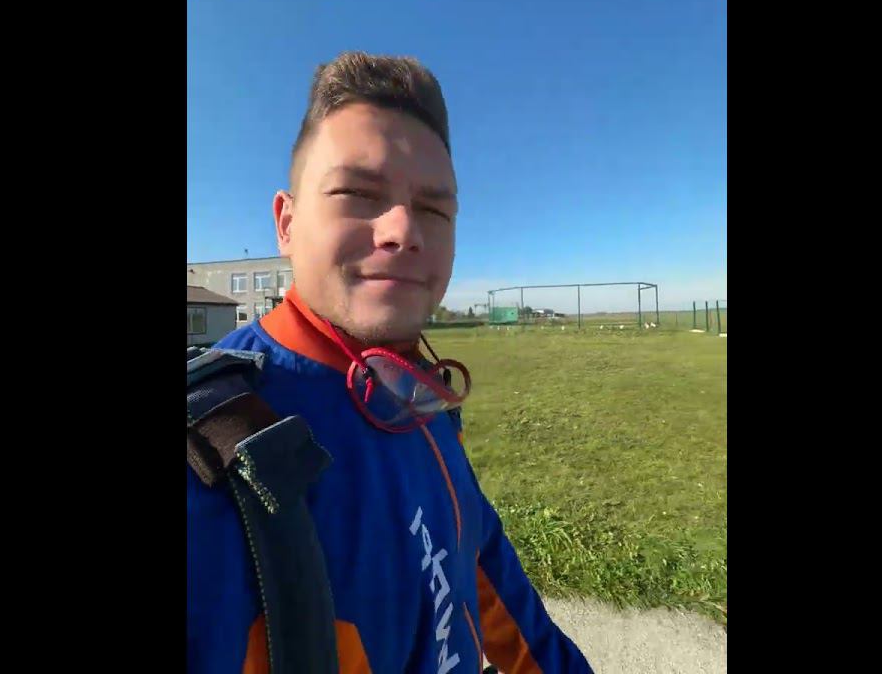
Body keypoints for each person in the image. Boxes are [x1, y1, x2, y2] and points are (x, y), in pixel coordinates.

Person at [188, 51, 593, 674]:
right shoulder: (207, 451)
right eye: (357, 193)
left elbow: (484, 565)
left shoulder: (420, 397)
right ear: (287, 224)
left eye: (434, 208)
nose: (404, 229)